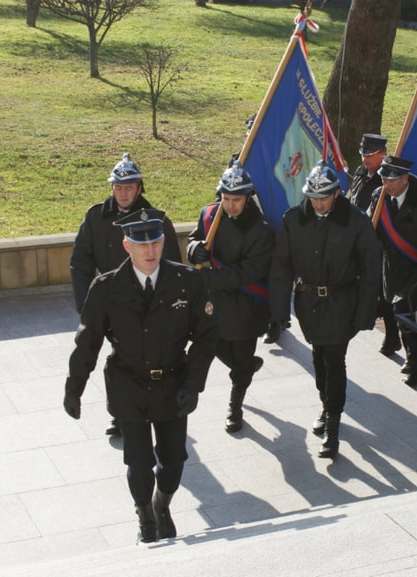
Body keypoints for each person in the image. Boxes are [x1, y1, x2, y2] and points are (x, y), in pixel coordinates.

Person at [62, 208, 218, 544]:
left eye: (156, 242)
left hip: (173, 383)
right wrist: (74, 388)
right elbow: (88, 342)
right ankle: (146, 516)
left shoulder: (187, 282)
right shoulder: (106, 288)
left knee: (174, 462)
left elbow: (207, 336)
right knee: (139, 461)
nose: (150, 252)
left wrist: (193, 383)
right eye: (140, 244)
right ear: (126, 245)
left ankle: (162, 505)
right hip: (128, 385)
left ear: (163, 242)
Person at [269, 161, 381, 459]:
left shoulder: (356, 222)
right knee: (319, 358)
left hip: (342, 302)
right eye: (313, 198)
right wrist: (278, 311)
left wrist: (365, 315)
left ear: (336, 194)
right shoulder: (294, 220)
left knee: (334, 359)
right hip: (309, 304)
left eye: (324, 198)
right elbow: (281, 267)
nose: (318, 204)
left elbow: (371, 270)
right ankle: (326, 403)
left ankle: (333, 425)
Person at [69, 153, 182, 437]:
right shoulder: (95, 216)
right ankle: (120, 413)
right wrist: (86, 304)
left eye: (128, 187)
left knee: (138, 358)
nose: (122, 193)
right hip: (107, 302)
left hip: (145, 305)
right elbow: (80, 261)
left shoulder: (156, 220)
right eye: (118, 188)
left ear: (139, 188)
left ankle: (145, 410)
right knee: (116, 361)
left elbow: (171, 265)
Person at [187, 162, 275, 434]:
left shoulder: (261, 229)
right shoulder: (210, 215)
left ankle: (235, 405)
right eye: (226, 198)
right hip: (213, 303)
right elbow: (194, 238)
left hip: (244, 305)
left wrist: (210, 278)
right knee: (211, 345)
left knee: (240, 355)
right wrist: (194, 251)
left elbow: (249, 271)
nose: (230, 205)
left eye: (236, 200)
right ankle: (247, 368)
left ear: (248, 197)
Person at [370, 155, 417, 387]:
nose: (386, 185)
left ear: (405, 178)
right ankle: (400, 347)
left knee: (405, 314)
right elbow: (371, 227)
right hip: (390, 267)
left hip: (416, 269)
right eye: (383, 179)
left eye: (391, 180)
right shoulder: (379, 197)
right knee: (392, 311)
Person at [348, 133, 400, 357]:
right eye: (362, 154)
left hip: (380, 244)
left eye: (369, 154)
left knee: (384, 292)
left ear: (383, 154)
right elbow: (353, 198)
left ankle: (392, 336)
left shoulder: (385, 180)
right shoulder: (360, 174)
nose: (364, 159)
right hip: (357, 238)